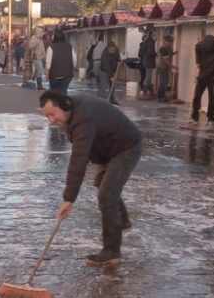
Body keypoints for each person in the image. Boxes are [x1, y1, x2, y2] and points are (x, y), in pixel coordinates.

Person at [41, 90, 142, 267]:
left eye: (52, 114)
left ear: (64, 106)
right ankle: (122, 221)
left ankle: (111, 251)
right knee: (104, 186)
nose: (51, 120)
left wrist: (69, 198)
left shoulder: (83, 119)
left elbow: (79, 159)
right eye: (47, 116)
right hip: (108, 148)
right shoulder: (71, 112)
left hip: (126, 147)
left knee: (107, 195)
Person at [190, 34, 214, 125]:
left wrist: (200, 76)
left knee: (212, 98)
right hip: (203, 73)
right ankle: (194, 116)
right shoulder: (199, 46)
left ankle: (210, 118)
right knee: (197, 95)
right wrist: (198, 63)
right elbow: (198, 62)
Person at [45, 29, 75, 94]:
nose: (52, 36)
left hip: (54, 75)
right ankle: (63, 103)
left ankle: (56, 103)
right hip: (67, 75)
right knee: (64, 91)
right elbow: (74, 60)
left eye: (53, 35)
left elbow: (48, 63)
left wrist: (47, 75)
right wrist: (72, 68)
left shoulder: (51, 47)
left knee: (54, 93)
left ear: (55, 36)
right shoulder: (69, 46)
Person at [101, 40, 122, 104]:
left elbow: (118, 58)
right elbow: (106, 66)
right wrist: (111, 76)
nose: (113, 51)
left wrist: (120, 60)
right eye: (111, 50)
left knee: (112, 86)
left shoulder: (116, 50)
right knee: (104, 86)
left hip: (113, 70)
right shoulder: (105, 54)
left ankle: (112, 99)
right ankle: (103, 101)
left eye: (114, 49)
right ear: (108, 48)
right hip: (104, 71)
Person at [155, 33, 175, 101]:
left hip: (164, 67)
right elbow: (165, 59)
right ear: (166, 41)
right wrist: (173, 66)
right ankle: (160, 97)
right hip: (162, 67)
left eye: (171, 42)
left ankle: (162, 96)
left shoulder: (167, 48)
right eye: (170, 42)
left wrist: (174, 53)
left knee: (165, 82)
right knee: (163, 82)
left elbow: (168, 55)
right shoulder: (163, 49)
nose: (171, 43)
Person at [138, 29, 157, 95]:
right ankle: (144, 91)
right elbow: (150, 52)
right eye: (155, 35)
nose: (156, 36)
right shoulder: (150, 42)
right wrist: (155, 54)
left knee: (147, 77)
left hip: (145, 62)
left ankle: (146, 90)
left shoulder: (145, 42)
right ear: (151, 35)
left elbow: (141, 53)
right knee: (148, 77)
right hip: (149, 62)